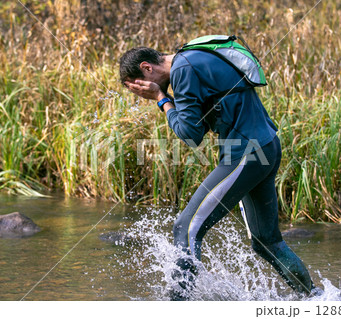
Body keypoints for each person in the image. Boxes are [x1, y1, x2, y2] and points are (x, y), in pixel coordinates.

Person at [119, 45, 315, 300]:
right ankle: (315, 300)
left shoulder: (182, 72)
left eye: (140, 87)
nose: (141, 94)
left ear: (147, 68)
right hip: (267, 145)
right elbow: (199, 119)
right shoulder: (193, 57)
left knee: (186, 228)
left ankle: (177, 306)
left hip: (247, 153)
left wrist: (161, 99)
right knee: (266, 241)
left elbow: (190, 135)